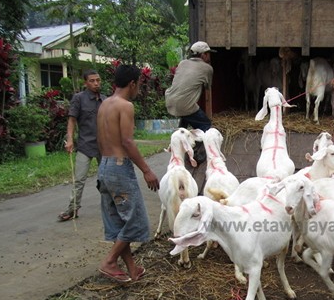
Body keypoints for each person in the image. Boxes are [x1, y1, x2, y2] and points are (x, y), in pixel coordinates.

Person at [96, 64, 160, 283]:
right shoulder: (125, 106)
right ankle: (109, 261)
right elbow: (127, 141)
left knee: (120, 222)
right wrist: (147, 170)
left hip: (104, 166)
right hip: (119, 167)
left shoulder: (104, 104)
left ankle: (132, 270)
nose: (139, 89)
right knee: (137, 221)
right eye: (139, 85)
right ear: (132, 83)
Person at [58, 69, 106, 222]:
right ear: (85, 83)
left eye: (98, 80)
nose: (96, 83)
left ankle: (110, 207)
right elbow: (72, 120)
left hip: (103, 146)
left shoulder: (105, 100)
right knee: (79, 179)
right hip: (85, 145)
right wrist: (70, 139)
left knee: (105, 178)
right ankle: (73, 209)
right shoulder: (79, 98)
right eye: (92, 81)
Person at [165, 41, 216, 165]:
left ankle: (181, 138)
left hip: (170, 101)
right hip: (185, 105)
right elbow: (208, 88)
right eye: (208, 54)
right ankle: (197, 152)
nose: (209, 56)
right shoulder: (207, 68)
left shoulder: (182, 63)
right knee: (206, 125)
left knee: (186, 118)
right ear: (203, 55)